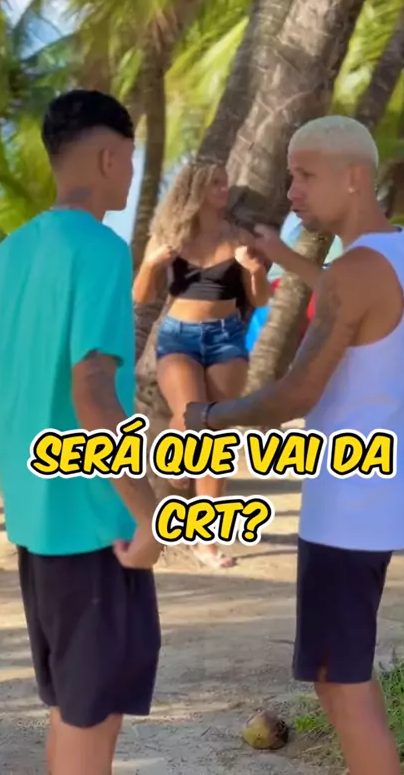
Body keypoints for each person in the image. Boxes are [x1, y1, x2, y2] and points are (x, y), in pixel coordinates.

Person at [183, 115, 404, 775]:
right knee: (332, 674)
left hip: (351, 503)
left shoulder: (356, 270)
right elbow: (353, 296)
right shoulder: (397, 253)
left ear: (354, 177)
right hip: (370, 491)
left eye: (304, 175)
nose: (291, 191)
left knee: (341, 682)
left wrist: (209, 415)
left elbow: (295, 394)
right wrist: (287, 258)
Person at [0, 89, 163, 775]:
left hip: (41, 527)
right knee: (90, 723)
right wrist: (151, 516)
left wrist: (16, 475)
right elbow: (92, 392)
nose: (131, 174)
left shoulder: (10, 253)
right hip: (97, 529)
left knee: (72, 713)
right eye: (131, 159)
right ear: (110, 158)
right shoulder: (102, 250)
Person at [133, 160, 272, 569]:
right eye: (215, 184)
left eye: (224, 182)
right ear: (195, 188)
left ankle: (205, 540)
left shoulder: (240, 238)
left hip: (226, 338)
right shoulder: (170, 235)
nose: (223, 189)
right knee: (190, 415)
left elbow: (260, 299)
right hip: (179, 336)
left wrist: (254, 270)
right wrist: (151, 264)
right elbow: (141, 296)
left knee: (217, 435)